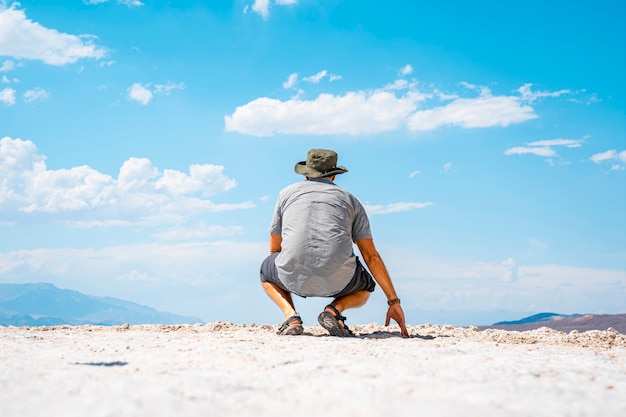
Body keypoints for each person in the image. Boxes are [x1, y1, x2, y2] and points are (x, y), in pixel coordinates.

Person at [259, 149, 409, 337]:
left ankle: (291, 317)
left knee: (266, 269)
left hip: (292, 277)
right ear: (333, 176)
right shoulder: (351, 201)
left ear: (306, 174)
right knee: (366, 286)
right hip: (340, 280)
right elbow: (371, 256)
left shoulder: (286, 195)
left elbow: (274, 248)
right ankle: (334, 310)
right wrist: (393, 302)